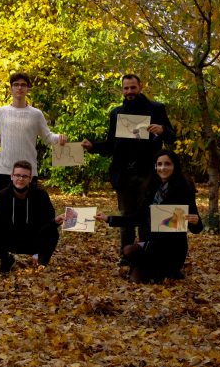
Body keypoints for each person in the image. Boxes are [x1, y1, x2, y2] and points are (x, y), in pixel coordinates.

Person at [82, 74, 176, 261]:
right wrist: (93, 146)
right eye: (126, 88)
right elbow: (111, 145)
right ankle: (126, 256)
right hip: (124, 175)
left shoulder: (156, 108)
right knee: (126, 217)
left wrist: (163, 130)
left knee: (148, 216)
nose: (129, 91)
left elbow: (172, 137)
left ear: (140, 86)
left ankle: (146, 255)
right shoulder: (116, 113)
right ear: (122, 90)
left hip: (148, 174)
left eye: (133, 87)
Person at [95, 150, 204, 283]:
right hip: (153, 244)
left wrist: (195, 221)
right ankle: (157, 270)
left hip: (173, 247)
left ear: (174, 166)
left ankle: (168, 270)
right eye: (159, 164)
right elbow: (137, 217)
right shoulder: (152, 188)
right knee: (128, 252)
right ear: (155, 167)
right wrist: (109, 219)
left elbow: (197, 228)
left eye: (167, 164)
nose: (163, 168)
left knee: (137, 274)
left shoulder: (184, 190)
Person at [0, 72, 66, 196]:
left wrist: (59, 138)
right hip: (5, 171)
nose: (19, 87)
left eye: (23, 85)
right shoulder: (1, 112)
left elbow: (47, 137)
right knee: (3, 207)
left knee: (28, 207)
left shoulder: (36, 114)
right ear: (11, 89)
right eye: (16, 84)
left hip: (28, 173)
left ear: (27, 89)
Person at [0, 160, 65, 273]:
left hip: (33, 240)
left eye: (25, 176)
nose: (21, 179)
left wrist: (55, 222)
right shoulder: (3, 195)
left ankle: (41, 263)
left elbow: (48, 222)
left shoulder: (41, 195)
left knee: (53, 232)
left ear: (30, 179)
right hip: (9, 239)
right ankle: (7, 259)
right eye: (17, 175)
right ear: (11, 176)